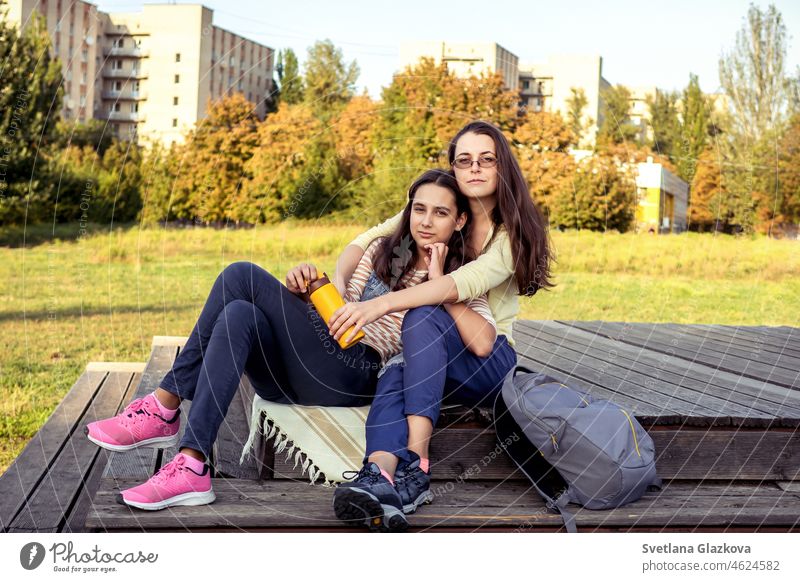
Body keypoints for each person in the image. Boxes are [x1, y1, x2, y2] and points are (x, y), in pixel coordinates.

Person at [82, 169, 484, 512]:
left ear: (460, 221)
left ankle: (165, 404)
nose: (427, 221)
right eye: (419, 209)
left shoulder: (460, 276)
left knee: (240, 274)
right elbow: (339, 309)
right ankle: (192, 464)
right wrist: (308, 291)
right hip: (321, 358)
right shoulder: (382, 251)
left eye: (441, 212)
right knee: (240, 314)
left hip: (359, 372)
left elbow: (477, 337)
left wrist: (438, 284)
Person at [329, 120, 554, 530]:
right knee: (397, 366)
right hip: (433, 348)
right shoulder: (442, 207)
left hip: (485, 357)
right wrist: (341, 285)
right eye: (464, 160)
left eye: (487, 160)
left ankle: (416, 464)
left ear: (504, 167)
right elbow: (368, 239)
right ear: (453, 166)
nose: (475, 168)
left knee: (422, 314)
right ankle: (380, 478)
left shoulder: (508, 236)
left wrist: (377, 306)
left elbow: (454, 287)